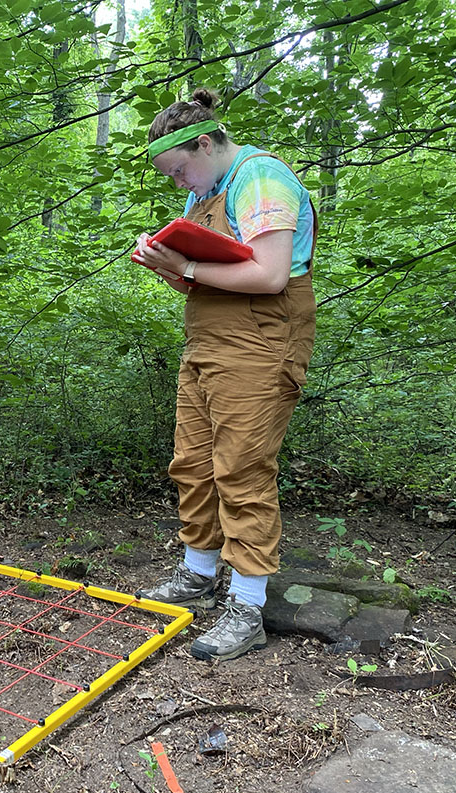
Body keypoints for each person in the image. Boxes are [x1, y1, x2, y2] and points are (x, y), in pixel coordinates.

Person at [133, 88, 316, 661]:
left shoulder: (260, 180)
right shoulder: (206, 194)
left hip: (261, 341)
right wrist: (168, 266)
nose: (178, 183)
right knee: (192, 462)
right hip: (208, 341)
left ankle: (247, 606)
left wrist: (186, 262)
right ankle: (198, 576)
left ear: (206, 144)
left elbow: (269, 277)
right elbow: (200, 281)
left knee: (241, 469)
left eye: (180, 169)